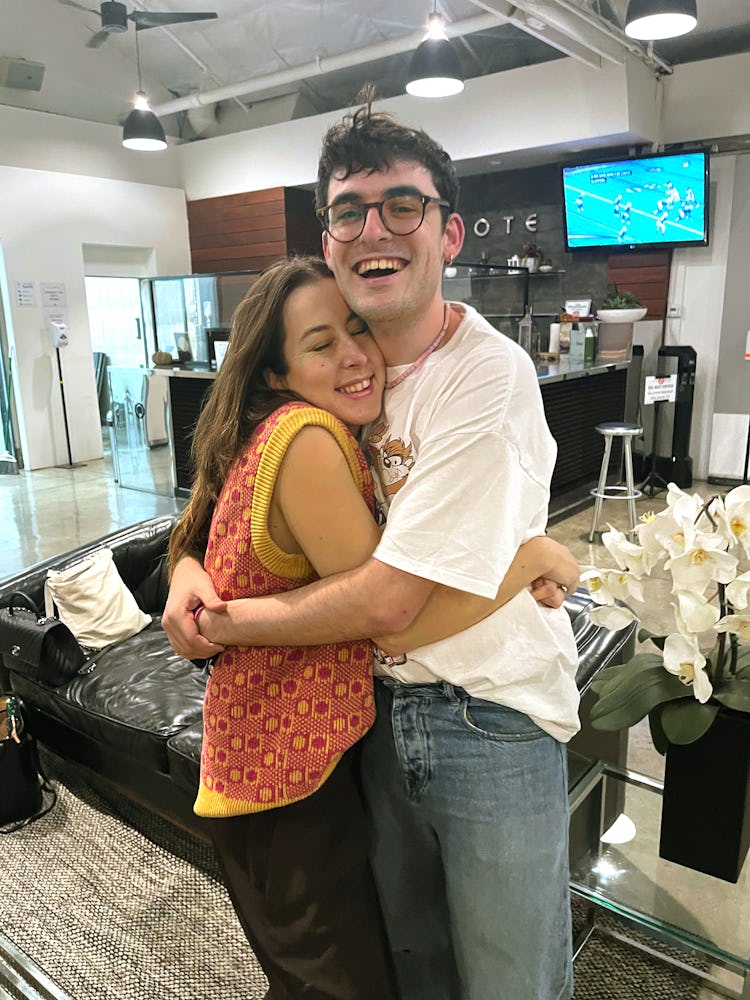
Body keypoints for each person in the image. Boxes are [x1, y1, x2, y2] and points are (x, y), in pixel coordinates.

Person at [165, 94, 581, 1000]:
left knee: (512, 982)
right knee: (415, 973)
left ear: (451, 232)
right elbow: (219, 506)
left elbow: (391, 611)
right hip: (374, 721)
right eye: (348, 210)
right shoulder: (343, 384)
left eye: (403, 204)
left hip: (490, 720)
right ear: (328, 239)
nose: (373, 227)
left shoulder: (486, 376)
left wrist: (226, 624)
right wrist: (187, 569)